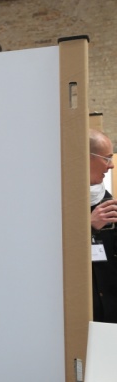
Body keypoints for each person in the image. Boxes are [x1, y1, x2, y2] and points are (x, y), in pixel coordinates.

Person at [89, 129, 117, 322]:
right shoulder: (60, 203)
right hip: (81, 310)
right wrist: (89, 227)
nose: (112, 165)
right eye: (107, 158)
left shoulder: (108, 201)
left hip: (111, 310)